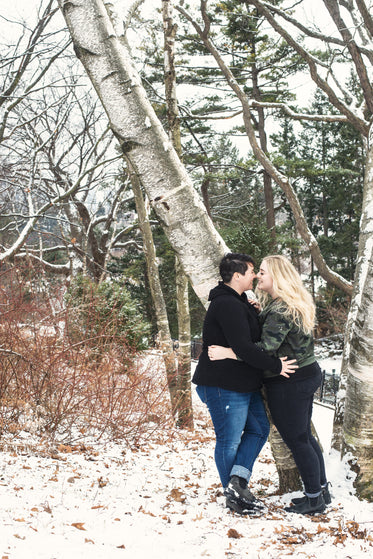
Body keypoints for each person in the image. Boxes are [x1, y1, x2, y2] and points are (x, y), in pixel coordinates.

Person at [208, 255, 331, 515]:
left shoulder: (280, 310)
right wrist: (258, 312)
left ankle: (314, 499)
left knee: (297, 440)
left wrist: (229, 352)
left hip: (290, 381)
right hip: (305, 374)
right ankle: (321, 492)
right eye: (257, 271)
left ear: (276, 276)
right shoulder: (281, 305)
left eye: (262, 272)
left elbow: (266, 348)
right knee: (305, 437)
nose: (258, 276)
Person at [192, 253, 297, 514]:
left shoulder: (239, 301)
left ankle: (237, 483)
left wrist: (254, 312)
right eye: (252, 271)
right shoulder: (227, 304)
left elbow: (246, 335)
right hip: (223, 384)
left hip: (242, 383)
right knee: (228, 441)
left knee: (259, 429)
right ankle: (235, 496)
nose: (255, 275)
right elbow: (243, 347)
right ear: (237, 276)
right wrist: (276, 366)